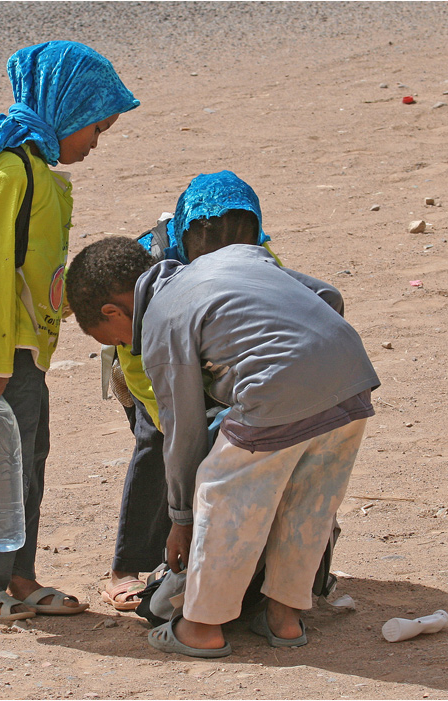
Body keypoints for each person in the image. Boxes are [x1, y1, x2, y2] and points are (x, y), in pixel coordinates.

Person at [66, 236, 379, 657]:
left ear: (112, 311)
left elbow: (183, 430)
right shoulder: (232, 257)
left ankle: (201, 628)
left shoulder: (161, 320)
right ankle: (283, 620)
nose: (124, 348)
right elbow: (328, 295)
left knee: (221, 492)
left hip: (275, 394)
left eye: (112, 337)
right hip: (351, 380)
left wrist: (181, 517)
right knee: (307, 503)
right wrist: (309, 357)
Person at [0, 41, 139, 623]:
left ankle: (17, 574)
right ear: (65, 107)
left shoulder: (35, 171)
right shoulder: (8, 171)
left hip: (27, 351)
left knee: (29, 461)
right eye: (94, 128)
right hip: (4, 353)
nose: (94, 143)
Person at [101, 171, 286, 611]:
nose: (222, 260)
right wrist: (175, 419)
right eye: (209, 250)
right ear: (187, 236)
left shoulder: (262, 259)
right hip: (149, 371)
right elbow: (136, 353)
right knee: (160, 447)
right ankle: (126, 568)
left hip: (218, 369)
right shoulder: (149, 267)